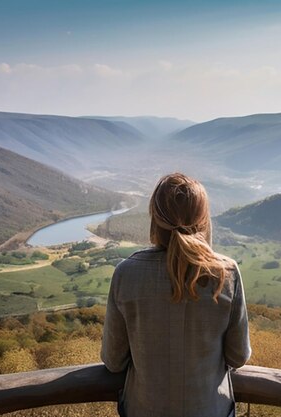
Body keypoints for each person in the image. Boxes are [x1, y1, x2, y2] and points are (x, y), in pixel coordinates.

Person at [101, 173, 251, 417]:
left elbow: (114, 360)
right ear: (203, 220)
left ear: (155, 220)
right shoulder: (226, 274)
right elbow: (238, 356)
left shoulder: (126, 274)